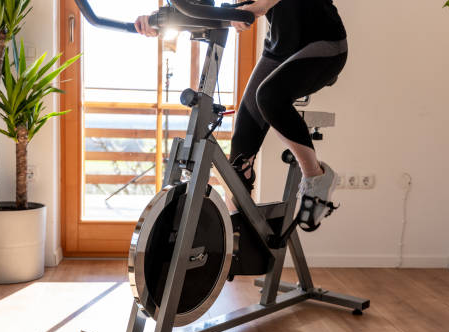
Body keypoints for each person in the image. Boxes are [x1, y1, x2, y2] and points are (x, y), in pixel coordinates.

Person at [135, 0, 348, 224]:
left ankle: (316, 176)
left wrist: (259, 7)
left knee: (269, 97)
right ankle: (237, 231)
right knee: (240, 154)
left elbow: (262, 5)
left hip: (323, 43)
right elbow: (201, 4)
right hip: (280, 47)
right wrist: (161, 18)